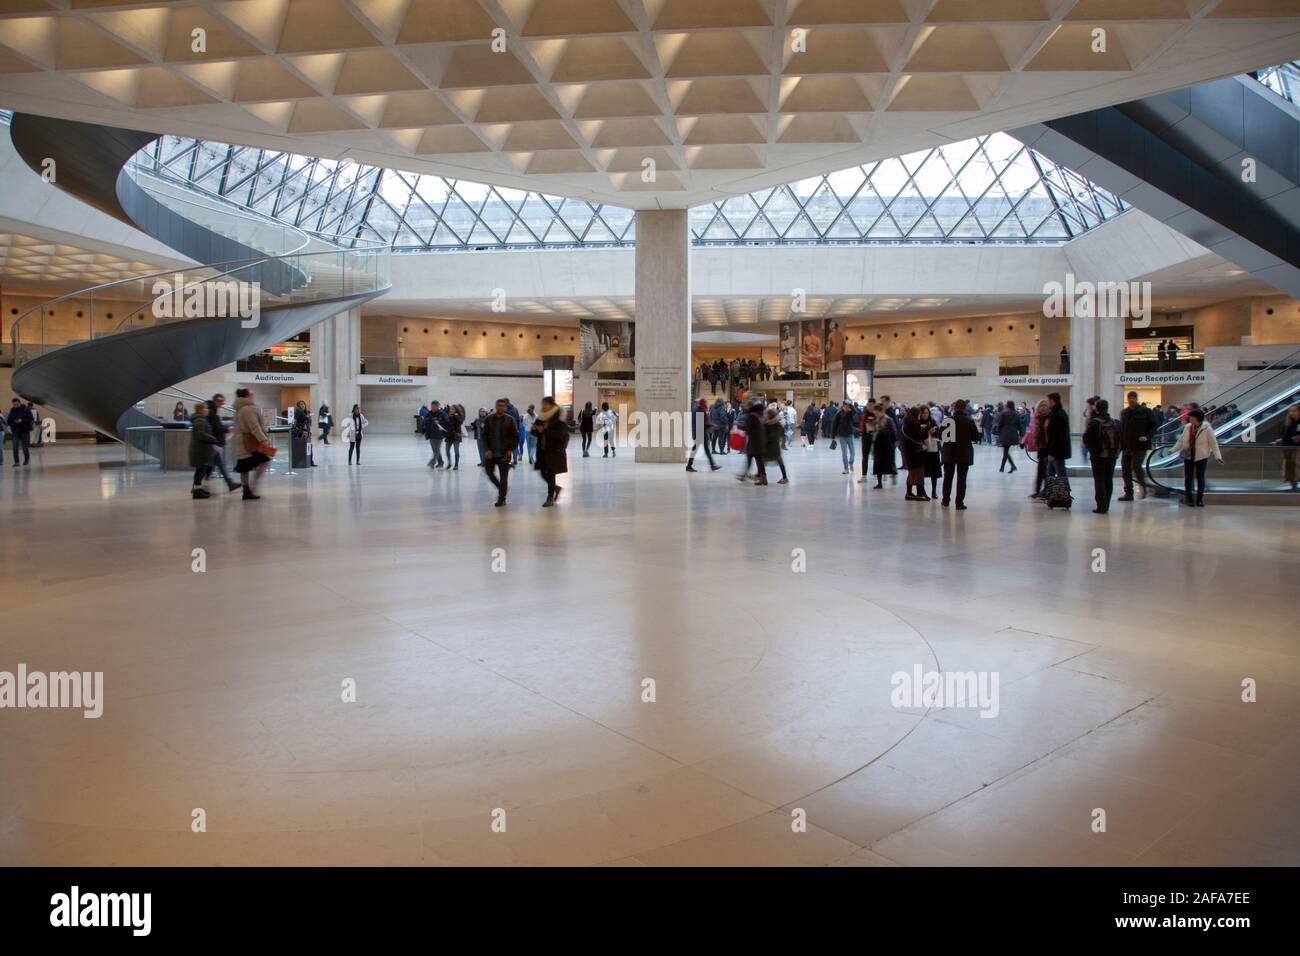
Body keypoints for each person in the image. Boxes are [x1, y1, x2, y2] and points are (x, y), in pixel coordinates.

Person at [1171, 408, 1222, 506]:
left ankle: (1199, 499)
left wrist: (1218, 456)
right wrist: (1172, 450)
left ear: (1196, 418)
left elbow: (1213, 443)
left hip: (1201, 456)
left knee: (1200, 478)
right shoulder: (1188, 427)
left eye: (1191, 417)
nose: (1189, 418)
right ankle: (1189, 498)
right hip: (1189, 456)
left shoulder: (1206, 428)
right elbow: (1181, 441)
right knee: (1188, 477)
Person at [1082, 398, 1121, 513]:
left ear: (1097, 409)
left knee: (1099, 480)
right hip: (1112, 455)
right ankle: (1106, 504)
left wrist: (1091, 450)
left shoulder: (1094, 423)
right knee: (1109, 479)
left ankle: (1101, 506)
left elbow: (1087, 439)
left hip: (1098, 456)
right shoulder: (1115, 422)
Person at [232, 388, 272, 500]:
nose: (252, 396)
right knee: (266, 459)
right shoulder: (248, 409)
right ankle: (252, 487)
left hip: (243, 443)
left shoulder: (238, 409)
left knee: (244, 467)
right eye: (251, 394)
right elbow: (254, 427)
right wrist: (264, 440)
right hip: (252, 443)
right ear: (246, 396)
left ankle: (246, 490)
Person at [941, 399, 978, 510]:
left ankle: (945, 500)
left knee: (948, 477)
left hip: (949, 452)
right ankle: (959, 503)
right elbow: (976, 437)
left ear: (954, 408)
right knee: (962, 479)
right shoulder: (969, 421)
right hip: (964, 452)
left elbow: (941, 436)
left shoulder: (948, 420)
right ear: (964, 408)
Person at [1118, 391, 1155, 501]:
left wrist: (1147, 437)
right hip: (1127, 446)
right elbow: (1122, 428)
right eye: (1129, 398)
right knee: (1125, 469)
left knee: (1136, 466)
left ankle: (1143, 487)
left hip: (1140, 446)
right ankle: (1128, 493)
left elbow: (1154, 425)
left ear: (1136, 399)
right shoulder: (1124, 412)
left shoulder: (1145, 411)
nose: (1131, 400)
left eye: (1133, 398)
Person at [482, 398, 519, 507]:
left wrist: (510, 449)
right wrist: (487, 449)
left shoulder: (510, 420)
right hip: (491, 453)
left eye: (503, 406)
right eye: (499, 405)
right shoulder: (489, 419)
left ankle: (502, 498)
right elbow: (484, 435)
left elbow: (515, 437)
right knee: (489, 472)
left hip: (504, 454)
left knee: (504, 477)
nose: (501, 408)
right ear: (496, 407)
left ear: (505, 408)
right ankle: (501, 488)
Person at [533, 395, 568, 507]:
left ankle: (550, 498)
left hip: (554, 451)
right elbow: (536, 433)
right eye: (542, 404)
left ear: (551, 405)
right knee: (543, 472)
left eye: (545, 404)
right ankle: (556, 488)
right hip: (542, 450)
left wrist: (544, 430)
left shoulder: (559, 417)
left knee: (551, 473)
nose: (543, 406)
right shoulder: (541, 417)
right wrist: (535, 430)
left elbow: (560, 435)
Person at [188, 402, 218, 499]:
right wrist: (212, 438)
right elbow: (200, 434)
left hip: (200, 449)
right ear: (201, 409)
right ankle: (197, 491)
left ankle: (198, 489)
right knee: (200, 470)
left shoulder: (200, 419)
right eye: (205, 408)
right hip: (199, 450)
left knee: (200, 469)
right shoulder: (200, 420)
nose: (207, 410)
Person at [901, 406, 930, 500]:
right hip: (916, 452)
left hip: (908, 452)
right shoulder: (913, 423)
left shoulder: (906, 422)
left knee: (912, 473)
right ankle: (920, 493)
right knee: (918, 473)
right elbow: (918, 436)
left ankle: (909, 493)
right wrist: (925, 430)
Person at [737, 400, 768, 485]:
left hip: (754, 442)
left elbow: (747, 427)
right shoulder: (760, 416)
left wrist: (737, 425)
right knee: (758, 460)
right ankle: (762, 478)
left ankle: (745, 475)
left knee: (753, 459)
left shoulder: (752, 416)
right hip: (760, 441)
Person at [1044, 392, 1072, 480]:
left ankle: (1065, 491)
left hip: (1057, 452)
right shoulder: (1056, 414)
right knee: (1050, 472)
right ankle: (1048, 490)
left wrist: (1052, 452)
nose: (1047, 403)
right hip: (1056, 451)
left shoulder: (1058, 415)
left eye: (1048, 401)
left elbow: (1056, 436)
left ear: (1052, 401)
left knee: (1060, 473)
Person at [686, 398, 719, 473]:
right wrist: (711, 425)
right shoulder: (700, 410)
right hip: (700, 433)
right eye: (705, 402)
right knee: (700, 450)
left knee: (698, 450)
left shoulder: (696, 409)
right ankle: (712, 465)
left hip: (698, 432)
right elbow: (701, 424)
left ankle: (711, 465)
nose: (706, 404)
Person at [1026, 399, 1049, 499]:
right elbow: (1032, 431)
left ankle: (1046, 490)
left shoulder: (1049, 418)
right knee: (1041, 470)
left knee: (1046, 471)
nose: (1043, 407)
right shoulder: (1037, 418)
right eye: (1041, 405)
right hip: (1040, 447)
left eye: (1045, 405)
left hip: (1047, 448)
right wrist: (1025, 441)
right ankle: (1038, 491)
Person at [871, 404, 897, 488]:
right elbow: (873, 431)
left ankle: (893, 475)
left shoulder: (888, 420)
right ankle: (879, 483)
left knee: (889, 462)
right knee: (878, 464)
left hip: (887, 445)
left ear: (881, 412)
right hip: (878, 445)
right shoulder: (876, 420)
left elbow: (893, 432)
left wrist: (892, 443)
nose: (875, 415)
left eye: (876, 413)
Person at [763, 405, 789, 484]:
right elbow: (783, 434)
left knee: (762, 461)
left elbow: (765, 436)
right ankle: (785, 477)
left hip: (768, 447)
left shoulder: (766, 425)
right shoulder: (778, 424)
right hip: (775, 447)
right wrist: (782, 444)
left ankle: (762, 477)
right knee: (779, 461)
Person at [996, 399, 1022, 473]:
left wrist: (998, 432)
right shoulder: (1017, 414)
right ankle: (1008, 467)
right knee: (1006, 451)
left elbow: (1000, 424)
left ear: (1007, 405)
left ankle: (1007, 467)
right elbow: (1020, 425)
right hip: (1013, 434)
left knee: (1005, 452)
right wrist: (1021, 435)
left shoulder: (1004, 414)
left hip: (1005, 434)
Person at [1278, 404, 1300, 492]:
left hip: (1297, 451)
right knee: (1289, 472)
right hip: (1288, 450)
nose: (1292, 413)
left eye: (1294, 411)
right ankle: (1294, 490)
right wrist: (1279, 440)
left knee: (1297, 470)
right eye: (1290, 411)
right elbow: (1285, 436)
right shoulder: (1288, 423)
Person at [7, 398, 34, 466]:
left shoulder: (26, 409)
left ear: (19, 403)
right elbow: (9, 420)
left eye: (16, 404)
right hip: (15, 431)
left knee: (24, 447)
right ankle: (16, 462)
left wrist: (22, 420)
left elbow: (31, 418)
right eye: (14, 405)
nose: (15, 406)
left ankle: (26, 460)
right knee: (15, 447)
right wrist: (13, 423)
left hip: (24, 430)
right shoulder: (12, 410)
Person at [832, 400, 856, 474]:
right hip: (842, 436)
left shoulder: (850, 413)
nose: (846, 407)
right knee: (844, 453)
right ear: (842, 406)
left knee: (853, 452)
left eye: (847, 406)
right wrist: (833, 435)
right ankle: (846, 468)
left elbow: (855, 412)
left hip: (850, 435)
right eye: (845, 406)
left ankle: (851, 463)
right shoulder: (839, 413)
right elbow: (834, 424)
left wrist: (850, 404)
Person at [424, 400, 446, 468]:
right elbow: (425, 423)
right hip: (431, 435)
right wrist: (423, 430)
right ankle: (441, 462)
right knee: (435, 450)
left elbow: (447, 423)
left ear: (438, 406)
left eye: (434, 407)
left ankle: (432, 462)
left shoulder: (442, 414)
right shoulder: (429, 414)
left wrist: (442, 426)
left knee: (436, 450)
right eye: (432, 406)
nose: (432, 408)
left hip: (439, 435)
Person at [444, 404, 463, 470]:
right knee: (447, 450)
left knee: (456, 451)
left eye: (453, 409)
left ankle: (456, 465)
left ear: (456, 410)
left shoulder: (459, 416)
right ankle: (449, 463)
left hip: (456, 436)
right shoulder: (449, 416)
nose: (451, 410)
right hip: (449, 436)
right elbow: (446, 425)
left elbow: (460, 422)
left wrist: (456, 416)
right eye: (450, 409)